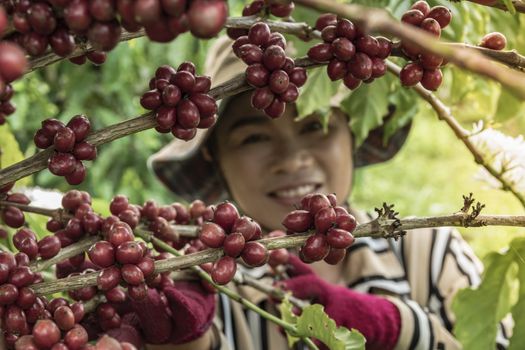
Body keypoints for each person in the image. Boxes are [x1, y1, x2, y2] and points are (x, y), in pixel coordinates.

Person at [126, 36, 511, 350]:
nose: (292, 160)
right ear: (215, 155)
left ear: (352, 135)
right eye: (255, 137)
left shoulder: (430, 254)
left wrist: (398, 327)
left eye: (316, 125)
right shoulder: (205, 288)